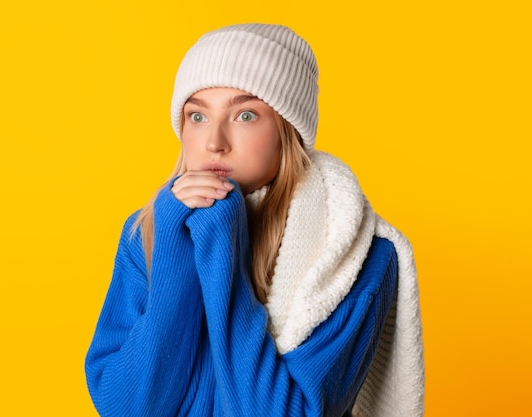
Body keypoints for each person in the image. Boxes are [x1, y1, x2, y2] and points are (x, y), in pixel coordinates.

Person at [85, 23, 424, 417]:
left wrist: (219, 239)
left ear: (287, 129)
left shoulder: (354, 253)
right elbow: (125, 408)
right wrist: (175, 253)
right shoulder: (149, 231)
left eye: (245, 114)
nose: (215, 141)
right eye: (197, 116)